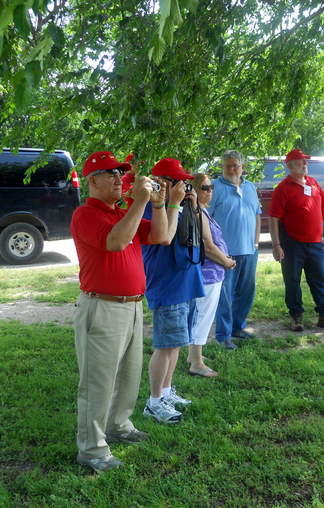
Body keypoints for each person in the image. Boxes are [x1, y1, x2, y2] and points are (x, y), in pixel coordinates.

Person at [71, 150, 170, 473]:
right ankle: (92, 448)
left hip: (131, 307)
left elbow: (161, 236)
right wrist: (140, 202)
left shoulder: (120, 213)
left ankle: (118, 424)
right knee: (98, 382)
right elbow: (115, 242)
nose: (119, 178)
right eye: (111, 173)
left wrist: (159, 204)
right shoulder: (86, 214)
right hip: (102, 307)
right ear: (92, 181)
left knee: (129, 374)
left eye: (120, 173)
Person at [142, 158, 204, 424]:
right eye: (178, 181)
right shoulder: (150, 206)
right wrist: (174, 203)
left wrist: (191, 205)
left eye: (185, 181)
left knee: (177, 342)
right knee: (164, 345)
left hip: (186, 280)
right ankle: (154, 401)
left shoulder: (179, 204)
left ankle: (166, 392)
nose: (183, 185)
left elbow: (194, 235)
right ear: (163, 182)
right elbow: (164, 236)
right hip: (167, 283)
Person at [268, 148, 324, 332]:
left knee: (319, 281)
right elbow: (273, 218)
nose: (305, 163)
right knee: (292, 281)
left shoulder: (312, 183)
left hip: (315, 243)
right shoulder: (283, 188)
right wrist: (276, 245)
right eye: (301, 161)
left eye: (306, 160)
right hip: (292, 243)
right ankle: (296, 316)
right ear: (290, 166)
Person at [210, 150, 261, 350]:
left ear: (243, 167)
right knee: (225, 294)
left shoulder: (250, 187)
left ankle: (237, 328)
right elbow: (206, 219)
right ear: (222, 167)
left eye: (235, 165)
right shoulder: (214, 187)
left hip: (249, 251)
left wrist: (256, 244)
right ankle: (223, 335)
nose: (232, 169)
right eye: (228, 165)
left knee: (246, 292)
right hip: (225, 253)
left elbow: (257, 215)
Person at [186, 173, 236, 376]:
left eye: (211, 187)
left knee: (201, 314)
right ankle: (196, 363)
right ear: (194, 190)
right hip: (207, 273)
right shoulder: (197, 212)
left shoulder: (202, 210)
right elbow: (208, 246)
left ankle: (193, 355)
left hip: (210, 272)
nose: (209, 191)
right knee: (203, 316)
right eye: (204, 187)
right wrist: (227, 261)